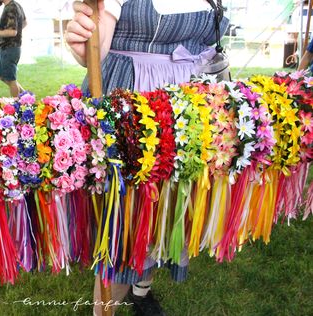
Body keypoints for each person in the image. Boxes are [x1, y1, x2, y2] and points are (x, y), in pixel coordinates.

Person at [65, 1, 228, 315]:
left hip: (188, 103)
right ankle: (105, 309)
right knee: (125, 222)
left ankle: (140, 291)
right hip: (134, 99)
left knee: (167, 210)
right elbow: (95, 50)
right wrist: (84, 45)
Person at [0, 0, 27, 97]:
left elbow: (13, 32)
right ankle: (26, 96)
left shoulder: (11, 8)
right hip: (12, 48)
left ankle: (16, 106)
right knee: (4, 77)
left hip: (9, 48)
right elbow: (24, 23)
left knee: (10, 79)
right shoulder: (16, 5)